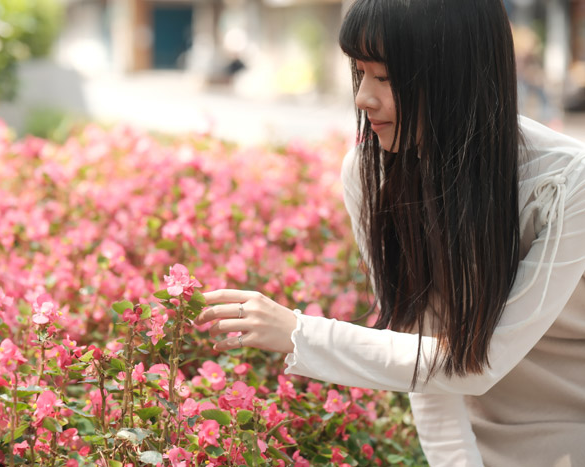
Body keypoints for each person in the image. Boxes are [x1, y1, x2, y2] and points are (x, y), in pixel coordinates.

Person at [193, 0, 585, 466]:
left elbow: (482, 361)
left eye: (386, 77)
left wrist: (299, 332)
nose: (363, 99)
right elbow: (421, 356)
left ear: (456, 75)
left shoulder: (563, 183)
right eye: (360, 74)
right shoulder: (370, 174)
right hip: (479, 443)